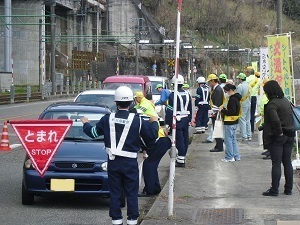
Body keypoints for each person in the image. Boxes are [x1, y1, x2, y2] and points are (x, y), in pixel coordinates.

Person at [81, 86, 159, 225]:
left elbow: (92, 133)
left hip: (113, 163)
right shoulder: (138, 120)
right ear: (131, 102)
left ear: (116, 102)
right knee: (131, 194)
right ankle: (132, 221)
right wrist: (154, 122)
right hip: (130, 163)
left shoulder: (107, 119)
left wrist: (86, 123)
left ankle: (117, 221)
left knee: (115, 193)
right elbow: (151, 137)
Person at [262, 80, 295, 197]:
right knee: (287, 162)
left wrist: (279, 132)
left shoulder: (272, 104)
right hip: (290, 135)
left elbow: (275, 120)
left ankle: (274, 189)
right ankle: (288, 189)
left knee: (276, 163)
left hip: (278, 137)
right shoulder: (286, 101)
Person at [165, 74, 193, 167]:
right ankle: (183, 156)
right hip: (186, 119)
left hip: (177, 120)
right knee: (185, 139)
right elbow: (190, 108)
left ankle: (180, 160)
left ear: (173, 84)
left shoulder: (173, 95)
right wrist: (189, 119)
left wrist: (168, 123)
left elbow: (169, 110)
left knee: (179, 140)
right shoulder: (187, 93)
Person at [219, 83, 242, 162]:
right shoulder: (237, 98)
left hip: (229, 121)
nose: (226, 93)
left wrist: (223, 110)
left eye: (226, 92)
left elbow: (232, 111)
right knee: (233, 139)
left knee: (228, 140)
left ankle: (229, 157)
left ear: (231, 91)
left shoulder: (232, 99)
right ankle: (236, 156)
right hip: (235, 121)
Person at [207, 73, 224, 152]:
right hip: (215, 111)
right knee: (216, 128)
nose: (209, 84)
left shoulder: (217, 90)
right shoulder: (216, 89)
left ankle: (219, 146)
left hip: (216, 112)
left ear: (213, 81)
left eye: (209, 82)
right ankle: (218, 144)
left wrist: (213, 112)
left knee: (217, 129)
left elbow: (217, 103)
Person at [236, 72, 252, 141]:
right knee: (248, 120)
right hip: (248, 103)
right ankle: (249, 135)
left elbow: (238, 96)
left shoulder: (240, 86)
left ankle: (244, 136)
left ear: (240, 79)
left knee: (242, 120)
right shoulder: (249, 85)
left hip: (242, 104)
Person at [247, 68, 261, 133]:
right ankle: (252, 129)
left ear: (249, 73)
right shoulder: (257, 80)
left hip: (247, 97)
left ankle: (248, 129)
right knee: (253, 113)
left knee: (247, 114)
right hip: (254, 97)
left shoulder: (247, 79)